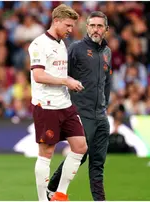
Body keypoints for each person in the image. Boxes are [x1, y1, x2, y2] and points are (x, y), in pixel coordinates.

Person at [47, 11, 112, 201]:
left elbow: (107, 82)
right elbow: (61, 77)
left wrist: (105, 105)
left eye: (100, 26)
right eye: (92, 25)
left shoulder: (107, 52)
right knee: (80, 156)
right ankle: (52, 188)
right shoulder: (76, 49)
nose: (95, 29)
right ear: (87, 27)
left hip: (101, 115)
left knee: (98, 164)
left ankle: (99, 200)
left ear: (106, 30)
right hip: (81, 113)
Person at [28, 4, 88, 201]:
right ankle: (42, 199)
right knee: (46, 153)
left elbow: (58, 73)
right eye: (68, 25)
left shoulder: (62, 44)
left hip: (65, 104)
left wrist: (71, 81)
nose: (71, 30)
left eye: (72, 26)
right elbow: (38, 75)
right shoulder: (38, 44)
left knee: (80, 147)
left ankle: (59, 194)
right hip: (46, 106)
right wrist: (66, 81)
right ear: (56, 21)